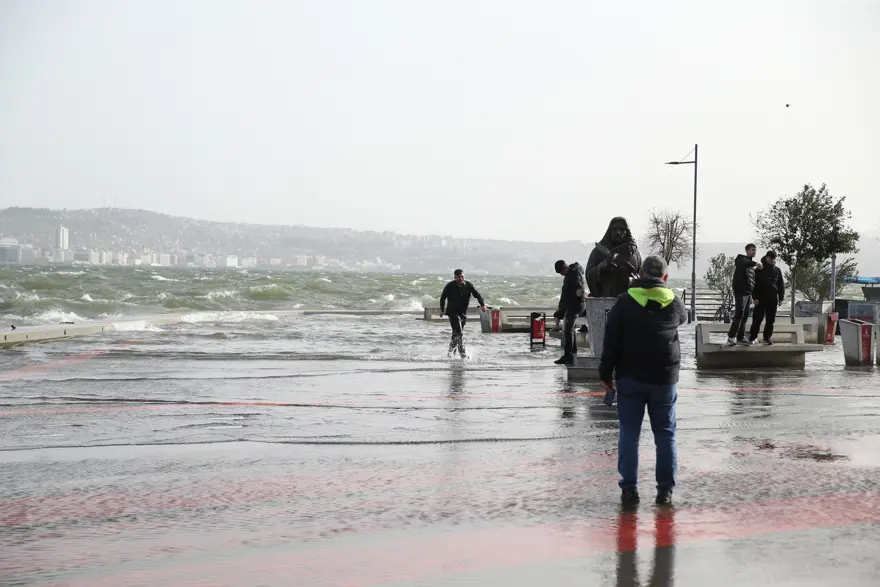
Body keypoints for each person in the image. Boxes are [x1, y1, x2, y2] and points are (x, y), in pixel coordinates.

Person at [599, 255, 687, 507]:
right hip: (664, 378)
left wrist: (605, 374)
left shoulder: (624, 303)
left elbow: (611, 340)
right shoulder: (675, 303)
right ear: (666, 278)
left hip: (631, 377)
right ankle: (665, 491)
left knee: (629, 434)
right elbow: (681, 320)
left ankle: (629, 490)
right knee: (666, 435)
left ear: (639, 274)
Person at [585, 217, 642, 298]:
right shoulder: (599, 251)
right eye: (614, 229)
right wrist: (601, 268)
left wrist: (631, 278)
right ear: (610, 231)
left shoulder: (635, 253)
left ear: (627, 231)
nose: (618, 232)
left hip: (629, 300)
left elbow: (642, 278)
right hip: (605, 298)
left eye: (622, 229)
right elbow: (589, 274)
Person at [439, 269, 486, 358]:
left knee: (456, 334)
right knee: (459, 332)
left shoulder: (468, 285)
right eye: (458, 277)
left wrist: (483, 305)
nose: (460, 279)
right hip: (452, 312)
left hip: (463, 314)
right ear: (455, 277)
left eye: (462, 276)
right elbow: (442, 298)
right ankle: (463, 354)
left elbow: (477, 295)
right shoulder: (450, 286)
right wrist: (442, 310)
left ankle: (450, 354)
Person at [553, 260, 586, 365]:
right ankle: (573, 352)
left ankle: (568, 356)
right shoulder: (570, 273)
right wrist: (561, 307)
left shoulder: (573, 276)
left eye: (561, 273)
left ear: (565, 268)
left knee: (568, 330)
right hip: (571, 305)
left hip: (574, 306)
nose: (561, 275)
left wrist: (579, 293)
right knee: (570, 330)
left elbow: (580, 288)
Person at [749, 250, 785, 345]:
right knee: (757, 319)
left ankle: (766, 338)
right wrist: (755, 297)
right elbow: (753, 285)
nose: (772, 260)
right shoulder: (759, 269)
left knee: (770, 320)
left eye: (774, 258)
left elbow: (781, 285)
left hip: (772, 298)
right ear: (766, 257)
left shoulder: (777, 270)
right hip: (760, 298)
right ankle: (753, 337)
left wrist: (781, 298)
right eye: (771, 258)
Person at [727, 243, 759, 346]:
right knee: (739, 314)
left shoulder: (749, 264)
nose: (754, 252)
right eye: (753, 250)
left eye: (755, 250)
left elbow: (752, 280)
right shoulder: (741, 260)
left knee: (745, 316)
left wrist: (753, 295)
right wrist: (755, 264)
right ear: (747, 250)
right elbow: (744, 263)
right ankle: (731, 337)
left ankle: (740, 337)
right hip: (740, 292)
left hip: (748, 293)